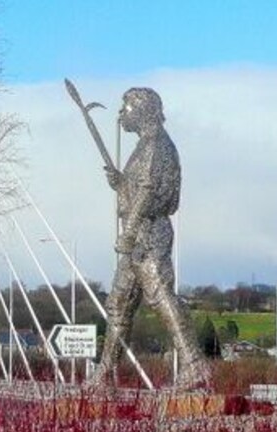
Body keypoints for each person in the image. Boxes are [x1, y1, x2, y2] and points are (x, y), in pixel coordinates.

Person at [99, 87, 209, 387]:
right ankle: (105, 373)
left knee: (160, 296)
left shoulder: (156, 145)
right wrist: (121, 183)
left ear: (144, 110)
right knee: (119, 304)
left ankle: (194, 365)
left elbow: (149, 193)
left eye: (127, 107)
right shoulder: (146, 146)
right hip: (138, 237)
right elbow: (139, 188)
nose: (122, 113)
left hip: (148, 234)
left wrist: (130, 231)